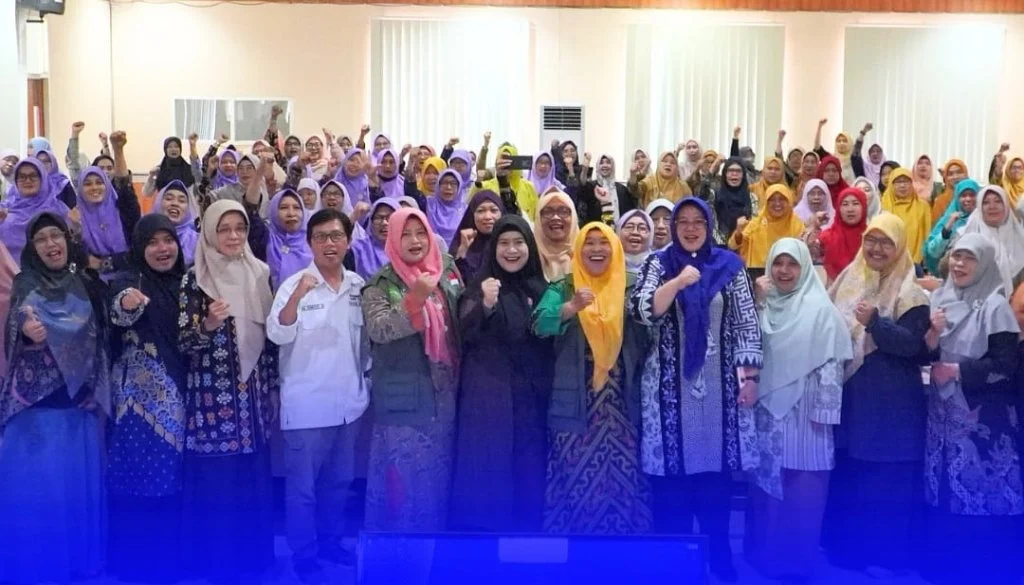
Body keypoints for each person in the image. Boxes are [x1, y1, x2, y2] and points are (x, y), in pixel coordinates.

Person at [629, 197, 762, 583]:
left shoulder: (730, 266)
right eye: (682, 221)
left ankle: (718, 556)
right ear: (673, 227)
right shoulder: (658, 263)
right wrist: (677, 282)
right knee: (671, 479)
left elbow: (746, 324)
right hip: (668, 390)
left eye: (698, 221)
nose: (690, 228)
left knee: (715, 479)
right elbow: (642, 311)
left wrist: (750, 378)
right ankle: (673, 560)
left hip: (719, 392)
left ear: (709, 225)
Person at [0, 212, 110, 585]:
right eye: (42, 239)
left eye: (56, 235)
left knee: (73, 498)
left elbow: (99, 336)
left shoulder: (83, 284)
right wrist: (24, 330)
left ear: (67, 239)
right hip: (36, 413)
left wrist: (95, 388)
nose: (51, 244)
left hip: (78, 409)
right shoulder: (25, 283)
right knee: (39, 499)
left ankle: (75, 566)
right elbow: (15, 324)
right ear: (32, 248)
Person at [824, 213, 929, 578]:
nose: (877, 249)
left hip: (891, 404)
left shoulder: (911, 293)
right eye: (871, 240)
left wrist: (875, 323)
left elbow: (912, 346)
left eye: (886, 242)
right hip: (852, 397)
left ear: (899, 247)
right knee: (854, 475)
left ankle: (886, 556)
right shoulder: (848, 279)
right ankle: (849, 552)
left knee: (886, 482)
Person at [178, 199, 278, 583]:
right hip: (211, 403)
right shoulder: (195, 279)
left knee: (252, 482)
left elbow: (271, 341)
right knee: (218, 487)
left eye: (240, 228)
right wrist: (207, 324)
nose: (234, 236)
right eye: (224, 229)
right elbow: (184, 344)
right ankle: (216, 566)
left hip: (254, 401)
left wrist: (272, 389)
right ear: (209, 233)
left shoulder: (260, 273)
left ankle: (253, 564)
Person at [267, 209, 367, 582]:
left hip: (348, 406)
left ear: (348, 241)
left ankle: (330, 542)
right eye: (321, 237)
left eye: (336, 236)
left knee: (339, 483)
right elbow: (277, 333)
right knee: (302, 490)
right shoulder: (293, 284)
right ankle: (304, 553)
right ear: (310, 243)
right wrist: (297, 297)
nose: (329, 243)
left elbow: (364, 344)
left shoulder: (358, 285)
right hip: (306, 406)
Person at [745, 238, 853, 584]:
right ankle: (765, 558)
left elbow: (833, 362)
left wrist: (825, 412)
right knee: (767, 484)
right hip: (766, 412)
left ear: (805, 267)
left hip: (808, 414)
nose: (784, 271)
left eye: (792, 264)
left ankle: (797, 563)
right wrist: (758, 303)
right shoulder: (764, 306)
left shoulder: (821, 310)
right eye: (778, 263)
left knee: (804, 487)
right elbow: (748, 348)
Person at [534, 221, 652, 535]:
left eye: (604, 243)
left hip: (622, 404)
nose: (597, 249)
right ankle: (577, 554)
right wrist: (570, 308)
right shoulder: (564, 286)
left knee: (626, 480)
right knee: (575, 481)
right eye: (589, 242)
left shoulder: (632, 285)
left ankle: (627, 553)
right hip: (576, 402)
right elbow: (539, 325)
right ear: (579, 248)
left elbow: (651, 327)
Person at [920, 234, 1021, 585]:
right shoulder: (940, 299)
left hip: (983, 413)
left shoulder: (995, 306)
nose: (959, 264)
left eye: (969, 258)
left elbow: (1005, 366)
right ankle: (943, 568)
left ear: (986, 264)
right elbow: (925, 354)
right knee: (943, 485)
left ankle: (979, 571)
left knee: (981, 489)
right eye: (956, 256)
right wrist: (933, 336)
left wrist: (958, 371)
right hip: (942, 409)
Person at [360, 207, 464, 531]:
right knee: (404, 493)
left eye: (420, 232)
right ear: (392, 239)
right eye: (405, 234)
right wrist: (414, 301)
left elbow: (462, 314)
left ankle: (434, 556)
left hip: (446, 400)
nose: (415, 240)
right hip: (406, 405)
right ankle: (399, 558)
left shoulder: (446, 270)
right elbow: (379, 329)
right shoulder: (379, 284)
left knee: (439, 488)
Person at [451, 215, 551, 532]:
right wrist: (487, 304)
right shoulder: (480, 287)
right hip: (488, 401)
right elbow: (464, 332)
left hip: (529, 400)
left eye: (519, 242)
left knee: (527, 471)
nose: (511, 250)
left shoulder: (541, 289)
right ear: (493, 248)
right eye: (504, 243)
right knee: (487, 473)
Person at [106, 214, 188, 583]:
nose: (162, 249)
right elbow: (119, 307)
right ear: (140, 248)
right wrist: (128, 302)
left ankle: (168, 565)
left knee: (172, 482)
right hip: (137, 407)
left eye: (168, 240)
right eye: (152, 242)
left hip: (179, 401)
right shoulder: (129, 279)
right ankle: (133, 566)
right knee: (135, 482)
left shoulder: (186, 285)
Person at [75, 131, 140, 282]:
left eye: (99, 182)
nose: (94, 187)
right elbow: (76, 256)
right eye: (87, 184)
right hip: (91, 283)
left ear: (107, 185)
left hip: (128, 279)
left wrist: (118, 150)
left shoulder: (121, 209)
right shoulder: (76, 217)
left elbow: (124, 187)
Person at [0, 158, 72, 262]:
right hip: (8, 270)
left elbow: (72, 243)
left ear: (42, 178)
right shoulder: (5, 209)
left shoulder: (59, 209)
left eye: (33, 176)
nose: (28, 181)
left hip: (51, 270)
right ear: (15, 181)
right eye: (22, 177)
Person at [957, 185, 1024, 293]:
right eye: (986, 203)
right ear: (979, 206)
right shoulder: (966, 237)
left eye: (998, 201)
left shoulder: (1019, 238)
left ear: (1006, 205)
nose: (992, 206)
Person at [730, 184, 804, 274]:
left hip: (789, 273)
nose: (777, 203)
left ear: (789, 201)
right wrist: (738, 232)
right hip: (758, 274)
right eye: (772, 200)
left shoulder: (797, 224)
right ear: (766, 202)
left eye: (782, 199)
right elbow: (732, 246)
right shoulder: (756, 224)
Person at [812, 186, 868, 283]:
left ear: (864, 207)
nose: (850, 209)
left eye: (855, 203)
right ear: (838, 209)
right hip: (834, 288)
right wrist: (814, 227)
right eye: (845, 204)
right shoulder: (827, 236)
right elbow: (809, 253)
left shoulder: (871, 236)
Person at [923, 179, 979, 276]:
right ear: (957, 198)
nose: (968, 199)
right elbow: (933, 252)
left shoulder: (984, 220)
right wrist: (948, 228)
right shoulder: (949, 219)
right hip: (951, 274)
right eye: (963, 195)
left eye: (972, 195)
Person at [449, 190, 504, 285]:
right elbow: (453, 283)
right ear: (472, 215)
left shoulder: (510, 246)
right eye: (481, 211)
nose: (487, 216)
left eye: (493, 210)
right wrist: (462, 251)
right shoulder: (460, 244)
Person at [881, 167, 931, 266]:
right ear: (891, 184)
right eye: (898, 182)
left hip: (917, 262)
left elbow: (928, 233)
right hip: (889, 262)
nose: (902, 185)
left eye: (906, 181)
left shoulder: (923, 206)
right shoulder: (884, 205)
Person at [266, 188, 312, 291]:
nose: (291, 213)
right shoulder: (265, 240)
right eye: (283, 208)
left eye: (296, 208)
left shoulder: (314, 242)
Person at [151, 179, 199, 265]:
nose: (175, 204)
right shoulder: (146, 235)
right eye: (169, 199)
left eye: (181, 201)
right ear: (158, 203)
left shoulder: (198, 241)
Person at [534, 191, 580, 282]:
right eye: (547, 212)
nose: (555, 217)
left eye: (563, 211)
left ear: (574, 217)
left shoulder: (586, 256)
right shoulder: (529, 258)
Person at [578, 154, 635, 225]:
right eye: (601, 163)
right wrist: (584, 170)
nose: (604, 165)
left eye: (608, 162)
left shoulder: (622, 189)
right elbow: (583, 185)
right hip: (598, 229)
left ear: (613, 166)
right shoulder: (592, 187)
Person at [427, 169, 468, 247]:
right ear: (438, 185)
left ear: (459, 187)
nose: (448, 187)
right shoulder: (429, 204)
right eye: (445, 183)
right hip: (432, 250)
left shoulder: (465, 210)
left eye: (453, 183)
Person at [929, 159, 969, 223]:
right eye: (950, 174)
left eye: (959, 172)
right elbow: (935, 226)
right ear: (946, 178)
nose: (955, 177)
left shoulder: (976, 197)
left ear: (966, 174)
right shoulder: (941, 202)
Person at [617, 209, 654, 274]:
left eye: (642, 228)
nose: (635, 232)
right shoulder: (608, 263)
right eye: (629, 227)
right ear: (618, 232)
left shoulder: (659, 265)